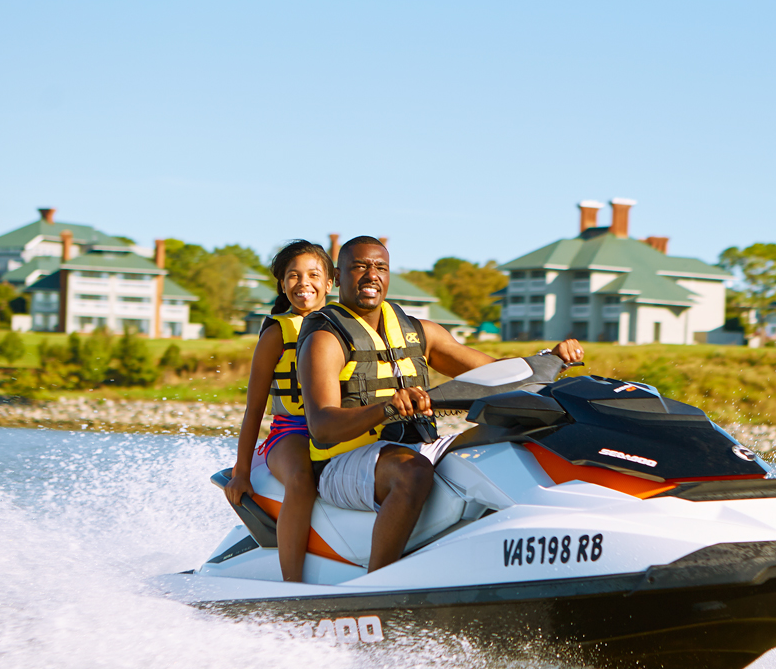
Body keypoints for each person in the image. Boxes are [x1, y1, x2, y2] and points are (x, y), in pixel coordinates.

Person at [299, 235, 583, 571]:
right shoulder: (325, 339)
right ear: (337, 277)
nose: (371, 275)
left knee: (500, 446)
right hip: (342, 462)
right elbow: (323, 426)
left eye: (380, 267)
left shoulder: (419, 332)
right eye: (359, 266)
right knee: (413, 472)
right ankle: (378, 584)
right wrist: (387, 407)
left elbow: (497, 372)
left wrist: (552, 359)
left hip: (415, 445)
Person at [222, 239, 333, 582]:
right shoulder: (277, 333)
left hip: (339, 429)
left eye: (313, 275)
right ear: (282, 285)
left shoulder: (344, 328)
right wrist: (241, 472)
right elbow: (254, 409)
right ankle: (293, 584)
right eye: (293, 276)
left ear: (330, 282)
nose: (303, 283)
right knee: (301, 480)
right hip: (292, 432)